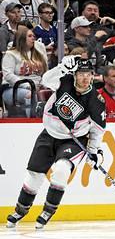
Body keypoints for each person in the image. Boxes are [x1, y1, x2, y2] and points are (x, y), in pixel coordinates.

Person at [6, 57, 106, 229]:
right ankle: (21, 210)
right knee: (34, 175)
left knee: (61, 170)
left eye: (88, 74)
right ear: (74, 75)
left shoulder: (96, 101)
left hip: (73, 140)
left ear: (92, 76)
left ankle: (48, 210)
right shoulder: (65, 81)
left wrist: (94, 151)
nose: (84, 78)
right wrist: (61, 67)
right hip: (49, 134)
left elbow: (97, 130)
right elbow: (46, 80)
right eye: (81, 74)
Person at [1, 26, 48, 116]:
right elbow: (8, 75)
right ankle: (31, 120)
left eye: (33, 36)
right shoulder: (11, 54)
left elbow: (45, 73)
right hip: (13, 89)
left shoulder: (37, 53)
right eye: (30, 36)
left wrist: (44, 84)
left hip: (36, 87)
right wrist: (27, 85)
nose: (33, 38)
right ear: (21, 39)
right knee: (30, 95)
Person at [33, 3, 58, 68]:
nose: (50, 15)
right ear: (40, 14)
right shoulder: (35, 31)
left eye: (51, 13)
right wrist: (45, 47)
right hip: (40, 62)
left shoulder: (54, 29)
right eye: (47, 13)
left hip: (54, 61)